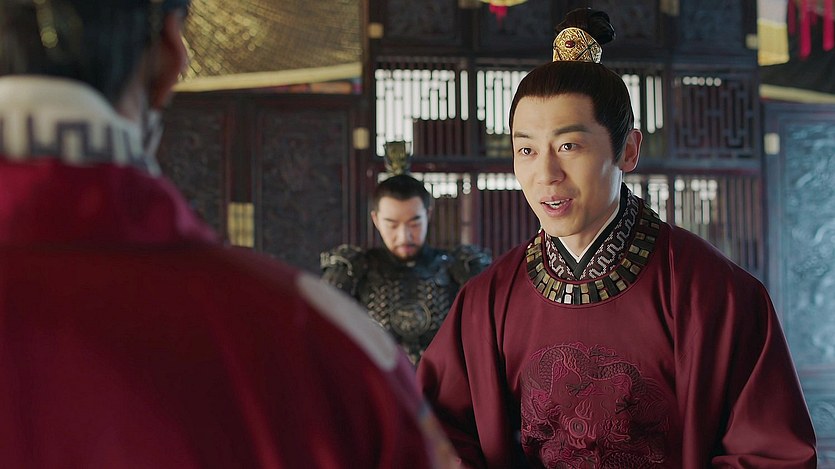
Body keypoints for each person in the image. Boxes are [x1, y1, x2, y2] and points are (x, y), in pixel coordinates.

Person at [0, 0, 457, 467]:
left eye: (414, 220)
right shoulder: (323, 341)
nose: (404, 232)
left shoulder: (362, 317)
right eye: (393, 221)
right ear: (171, 54)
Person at [417, 7, 817, 468]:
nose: (545, 173)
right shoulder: (485, 303)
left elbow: (773, 454)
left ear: (628, 150)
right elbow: (434, 433)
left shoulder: (712, 293)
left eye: (569, 146)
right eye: (525, 149)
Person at [321, 173, 492, 365]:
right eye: (392, 225)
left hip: (445, 382)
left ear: (428, 215)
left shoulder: (461, 268)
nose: (404, 236)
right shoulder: (352, 270)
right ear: (376, 220)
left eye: (414, 223)